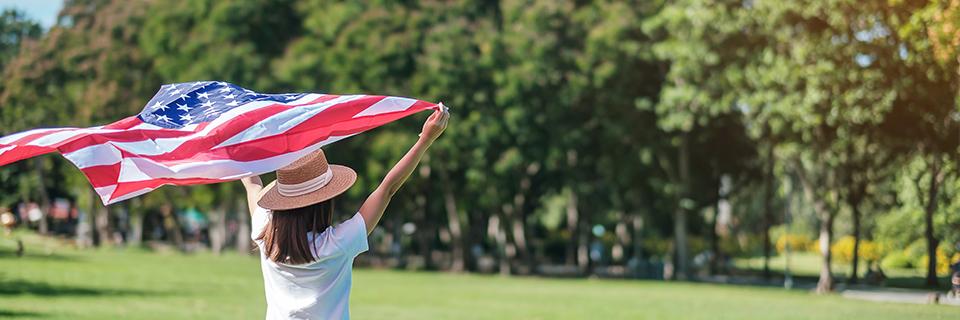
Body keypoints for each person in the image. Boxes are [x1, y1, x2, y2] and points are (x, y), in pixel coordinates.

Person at [240, 107, 449, 319]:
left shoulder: (264, 234)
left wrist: (236, 142)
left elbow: (252, 184)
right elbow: (388, 188)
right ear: (323, 202)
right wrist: (425, 139)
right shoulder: (337, 243)